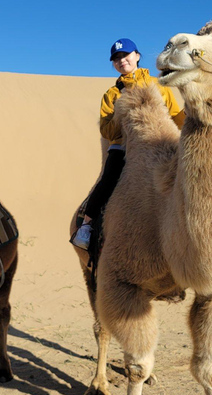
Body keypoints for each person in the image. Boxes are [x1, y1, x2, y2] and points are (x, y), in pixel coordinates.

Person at [72, 38, 185, 250]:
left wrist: (191, 110)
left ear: (137, 56)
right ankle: (86, 227)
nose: (121, 61)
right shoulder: (111, 94)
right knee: (108, 178)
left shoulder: (159, 85)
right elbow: (107, 131)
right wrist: (122, 112)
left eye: (125, 55)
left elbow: (177, 119)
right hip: (123, 148)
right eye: (116, 58)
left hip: (158, 142)